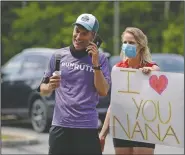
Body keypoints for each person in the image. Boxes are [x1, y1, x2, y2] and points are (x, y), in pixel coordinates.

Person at [38, 13, 111, 155]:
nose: (78, 37)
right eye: (77, 31)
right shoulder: (58, 55)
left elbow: (103, 91)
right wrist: (50, 86)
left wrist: (95, 64)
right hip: (60, 126)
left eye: (84, 34)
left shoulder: (100, 59)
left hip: (87, 127)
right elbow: (42, 89)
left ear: (93, 36)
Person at [99, 27, 160, 155]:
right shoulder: (118, 69)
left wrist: (150, 72)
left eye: (131, 42)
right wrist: (103, 134)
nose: (127, 45)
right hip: (122, 125)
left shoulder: (150, 68)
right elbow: (113, 104)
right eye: (125, 42)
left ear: (141, 46)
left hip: (145, 126)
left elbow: (157, 72)